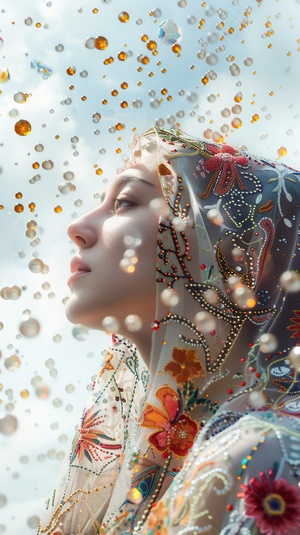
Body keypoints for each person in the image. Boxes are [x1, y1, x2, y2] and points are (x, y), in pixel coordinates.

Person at [37, 126, 300, 535]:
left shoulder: (263, 453)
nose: (78, 227)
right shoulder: (133, 473)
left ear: (232, 251)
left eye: (124, 201)